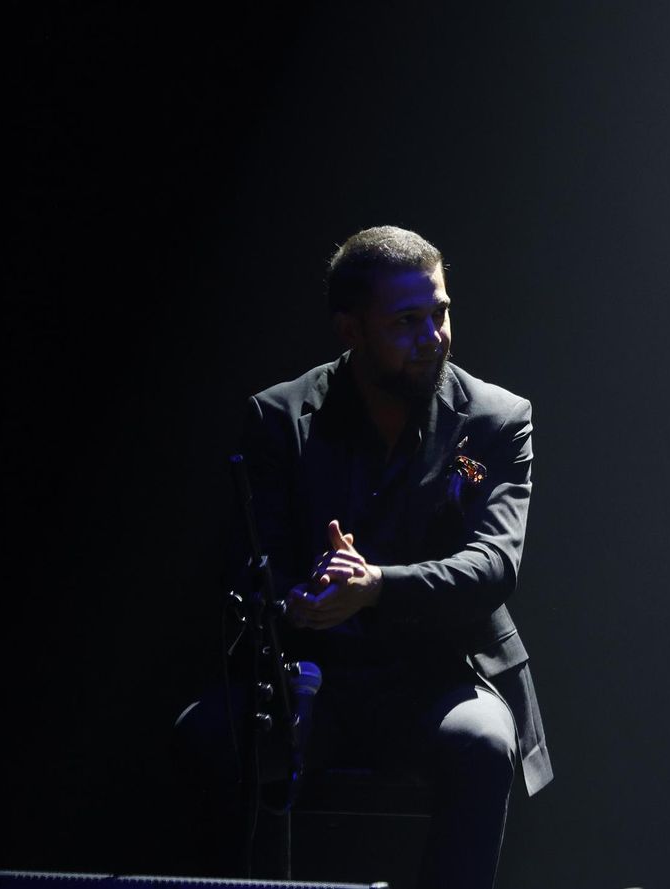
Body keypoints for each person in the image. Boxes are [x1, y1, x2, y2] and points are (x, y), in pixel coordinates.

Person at [177, 225, 550, 889]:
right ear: (350, 330)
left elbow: (494, 566)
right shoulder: (280, 417)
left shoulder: (496, 419)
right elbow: (253, 566)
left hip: (440, 674)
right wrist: (300, 600)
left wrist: (375, 584)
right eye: (407, 321)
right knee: (207, 734)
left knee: (485, 740)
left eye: (440, 313)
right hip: (313, 675)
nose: (433, 336)